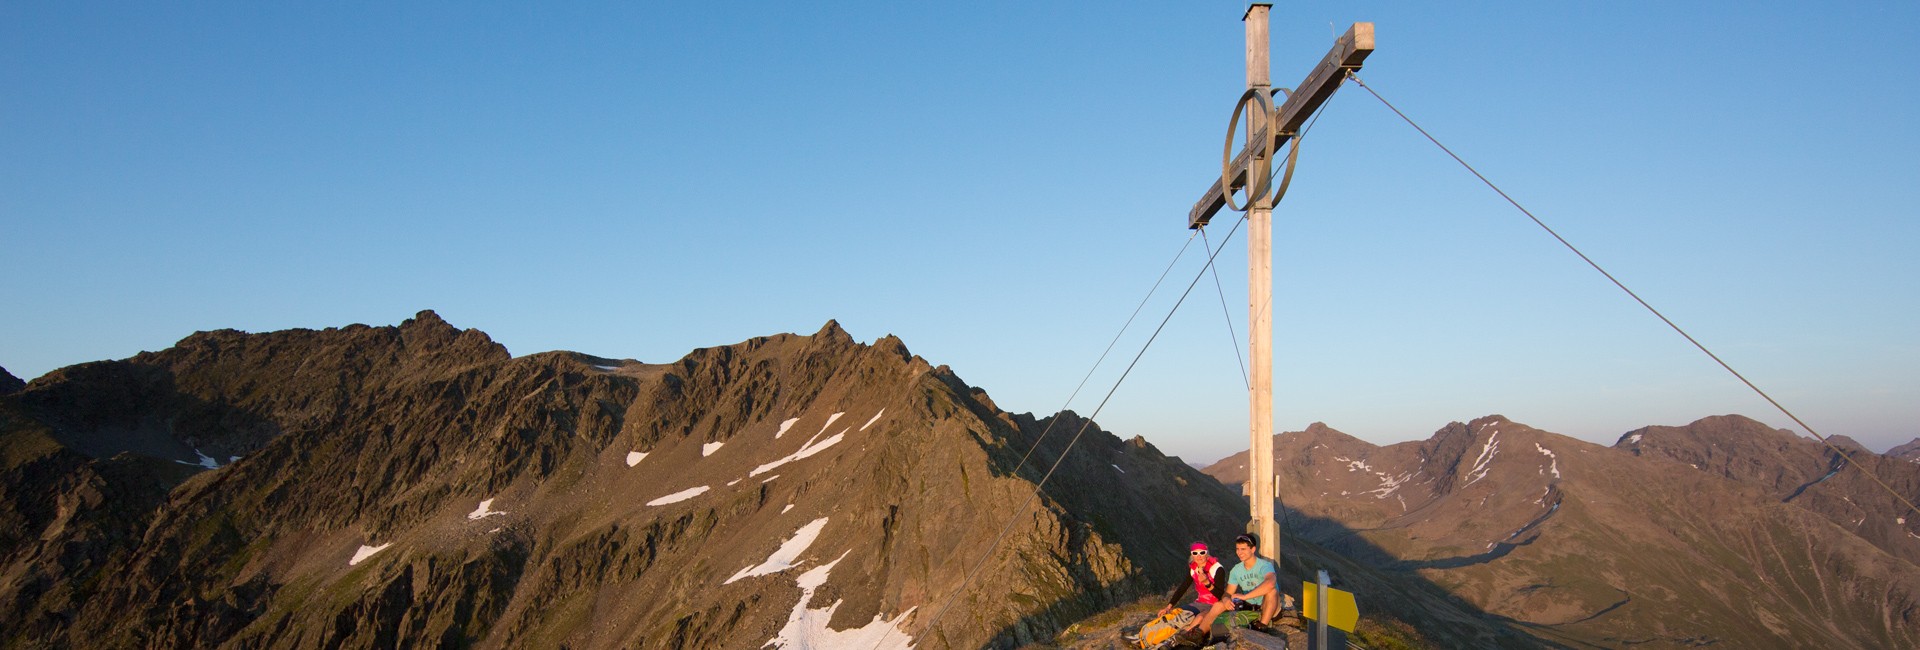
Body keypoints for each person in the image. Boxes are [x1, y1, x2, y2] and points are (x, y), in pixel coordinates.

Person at [1193, 533, 1282, 633]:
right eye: (1237, 549)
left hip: (1269, 606)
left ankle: (1262, 627)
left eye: (1243, 549)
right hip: (1251, 606)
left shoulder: (1265, 565)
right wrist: (1226, 600)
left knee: (1272, 591)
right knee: (1219, 605)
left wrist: (1245, 596)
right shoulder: (1236, 570)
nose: (1239, 552)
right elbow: (1228, 593)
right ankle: (1199, 634)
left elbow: (1270, 583)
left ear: (1253, 549)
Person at [1160, 541, 1228, 635]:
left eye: (1202, 552)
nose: (1199, 556)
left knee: (1198, 618)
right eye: (1195, 553)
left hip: (1214, 605)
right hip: (1199, 603)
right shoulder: (1193, 569)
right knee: (1176, 614)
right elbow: (1183, 587)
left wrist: (1207, 583)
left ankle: (1182, 636)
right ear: (1192, 555)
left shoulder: (1217, 569)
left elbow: (1220, 595)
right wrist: (1168, 606)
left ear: (1207, 553)